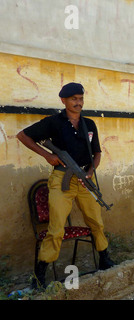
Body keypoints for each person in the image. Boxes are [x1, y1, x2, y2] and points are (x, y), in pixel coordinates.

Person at [17, 82, 115, 289]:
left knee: (96, 221)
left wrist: (90, 172)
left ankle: (104, 257)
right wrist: (47, 155)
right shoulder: (54, 122)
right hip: (62, 180)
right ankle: (40, 274)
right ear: (64, 100)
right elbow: (22, 136)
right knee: (56, 228)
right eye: (74, 99)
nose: (78, 103)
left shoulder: (89, 124)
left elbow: (97, 153)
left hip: (86, 179)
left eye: (80, 99)